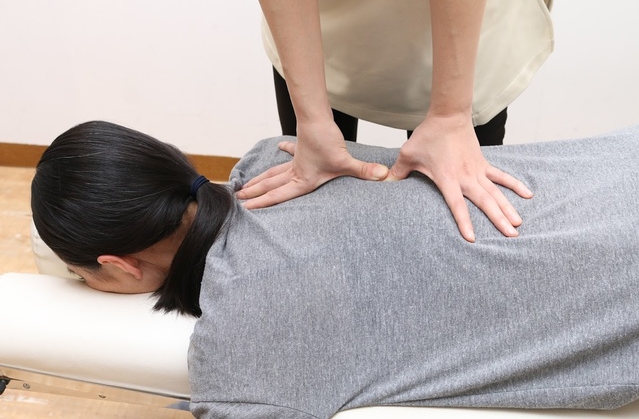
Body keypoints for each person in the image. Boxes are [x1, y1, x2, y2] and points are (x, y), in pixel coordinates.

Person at [32, 121, 639, 418]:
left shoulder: (241, 357)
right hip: (612, 165)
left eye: (84, 275)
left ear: (120, 265)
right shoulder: (277, 155)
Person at [241, 0, 554, 244]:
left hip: (466, 29)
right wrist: (312, 121)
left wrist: (450, 116)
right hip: (319, 25)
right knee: (310, 215)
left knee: (467, 220)